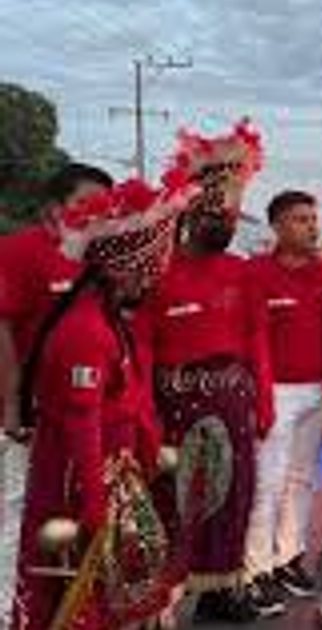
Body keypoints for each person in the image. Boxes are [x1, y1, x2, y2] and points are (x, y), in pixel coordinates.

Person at [9, 175, 193, 630]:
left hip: (109, 470)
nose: (155, 276)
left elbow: (126, 401)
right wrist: (94, 498)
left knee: (105, 590)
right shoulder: (86, 330)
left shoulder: (108, 320)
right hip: (78, 478)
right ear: (124, 269)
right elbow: (82, 421)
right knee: (75, 587)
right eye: (150, 267)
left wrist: (143, 452)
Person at [146, 120, 275, 622]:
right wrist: (146, 413)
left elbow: (257, 339)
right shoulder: (158, 271)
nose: (225, 221)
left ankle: (223, 588)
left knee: (234, 496)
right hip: (175, 405)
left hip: (233, 399)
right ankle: (164, 596)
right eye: (215, 212)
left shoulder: (242, 273)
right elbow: (144, 345)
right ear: (189, 210)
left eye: (230, 213)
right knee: (176, 500)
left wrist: (263, 402)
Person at [0, 162, 112, 625]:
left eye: (105, 207)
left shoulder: (99, 259)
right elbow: (3, 329)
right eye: (85, 204)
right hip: (23, 420)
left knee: (55, 523)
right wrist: (10, 407)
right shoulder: (18, 251)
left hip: (74, 419)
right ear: (53, 209)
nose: (97, 215)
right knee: (12, 520)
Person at [244, 189, 322, 600]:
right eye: (301, 219)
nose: (312, 227)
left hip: (316, 392)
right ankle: (257, 567)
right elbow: (253, 338)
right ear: (278, 226)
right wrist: (260, 396)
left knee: (301, 479)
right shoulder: (256, 273)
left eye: (313, 219)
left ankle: (289, 556)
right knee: (267, 481)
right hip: (274, 393)